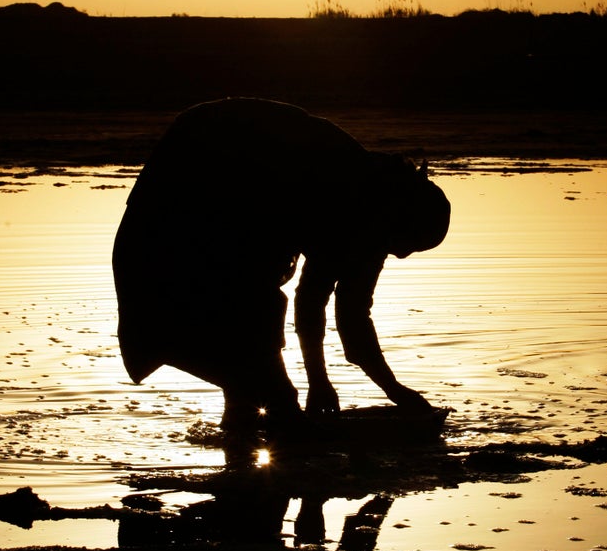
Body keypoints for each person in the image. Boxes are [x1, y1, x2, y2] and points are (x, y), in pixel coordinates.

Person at [112, 97, 450, 431]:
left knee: (250, 377)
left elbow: (352, 315)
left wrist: (393, 390)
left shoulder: (375, 207)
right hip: (179, 226)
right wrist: (318, 382)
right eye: (408, 245)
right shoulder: (350, 192)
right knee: (273, 393)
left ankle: (242, 445)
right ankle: (263, 440)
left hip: (227, 237)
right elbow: (312, 299)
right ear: (402, 217)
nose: (401, 255)